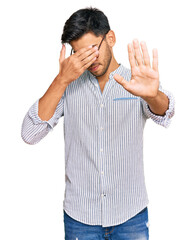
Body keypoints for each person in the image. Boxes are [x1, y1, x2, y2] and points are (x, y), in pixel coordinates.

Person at [21, 7, 175, 240]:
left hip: (130, 215)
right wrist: (61, 79)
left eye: (93, 49)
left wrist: (152, 95)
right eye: (78, 53)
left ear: (110, 39)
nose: (89, 60)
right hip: (80, 218)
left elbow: (165, 114)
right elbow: (30, 134)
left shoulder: (137, 80)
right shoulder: (67, 86)